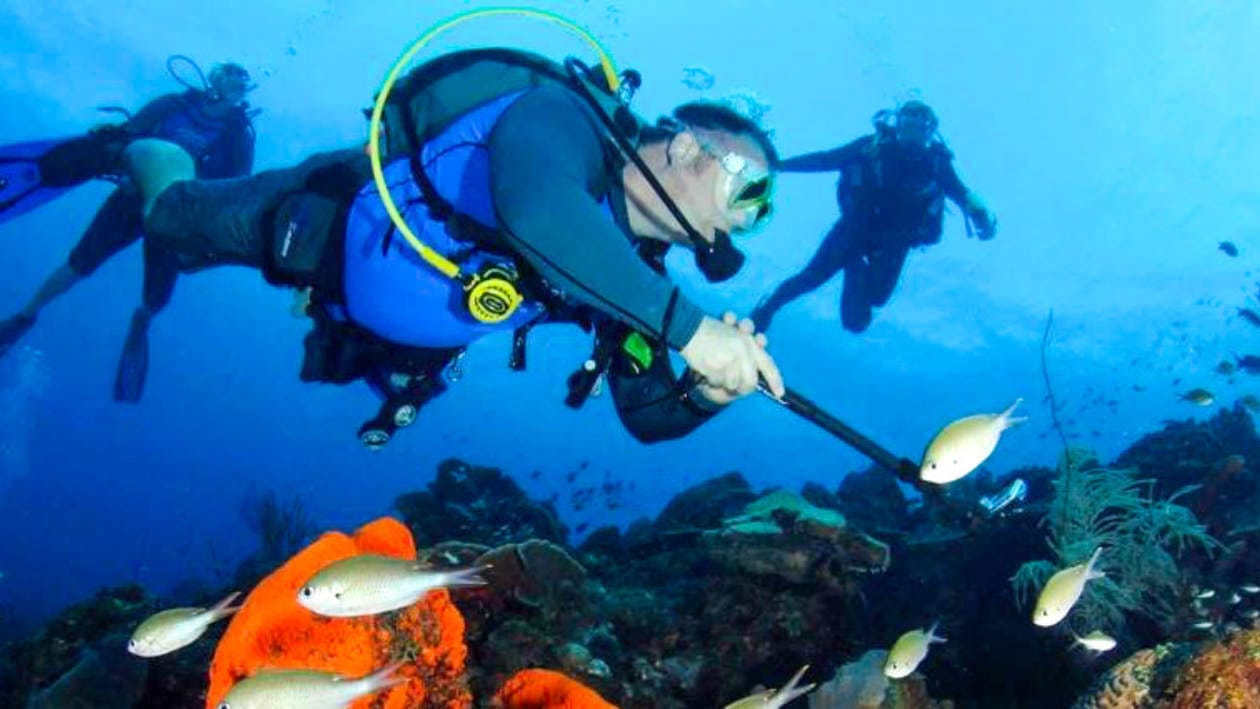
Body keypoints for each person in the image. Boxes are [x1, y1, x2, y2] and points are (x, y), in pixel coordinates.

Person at [116, 48, 784, 447]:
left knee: (184, 257)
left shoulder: (629, 277)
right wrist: (691, 329)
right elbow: (538, 210)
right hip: (316, 227)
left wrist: (708, 395)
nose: (751, 217)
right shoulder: (564, 119)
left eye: (765, 212)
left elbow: (647, 416)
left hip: (378, 329)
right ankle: (137, 146)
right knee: (166, 216)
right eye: (749, 187)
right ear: (689, 145)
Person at [0, 60, 257, 401]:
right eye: (231, 74)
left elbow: (236, 189)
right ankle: (24, 317)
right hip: (132, 198)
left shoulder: (238, 135)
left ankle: (143, 320)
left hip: (179, 218)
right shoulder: (172, 105)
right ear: (214, 77)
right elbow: (129, 134)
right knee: (79, 263)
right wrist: (105, 140)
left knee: (157, 293)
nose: (237, 82)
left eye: (242, 80)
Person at [750, 100, 997, 333]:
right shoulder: (872, 147)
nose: (913, 133)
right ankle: (767, 309)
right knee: (810, 278)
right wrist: (779, 165)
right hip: (854, 229)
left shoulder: (936, 164)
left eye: (920, 127)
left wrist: (982, 216)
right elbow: (826, 159)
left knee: (862, 317)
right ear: (898, 124)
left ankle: (853, 264)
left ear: (930, 132)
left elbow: (961, 192)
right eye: (908, 124)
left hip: (895, 241)